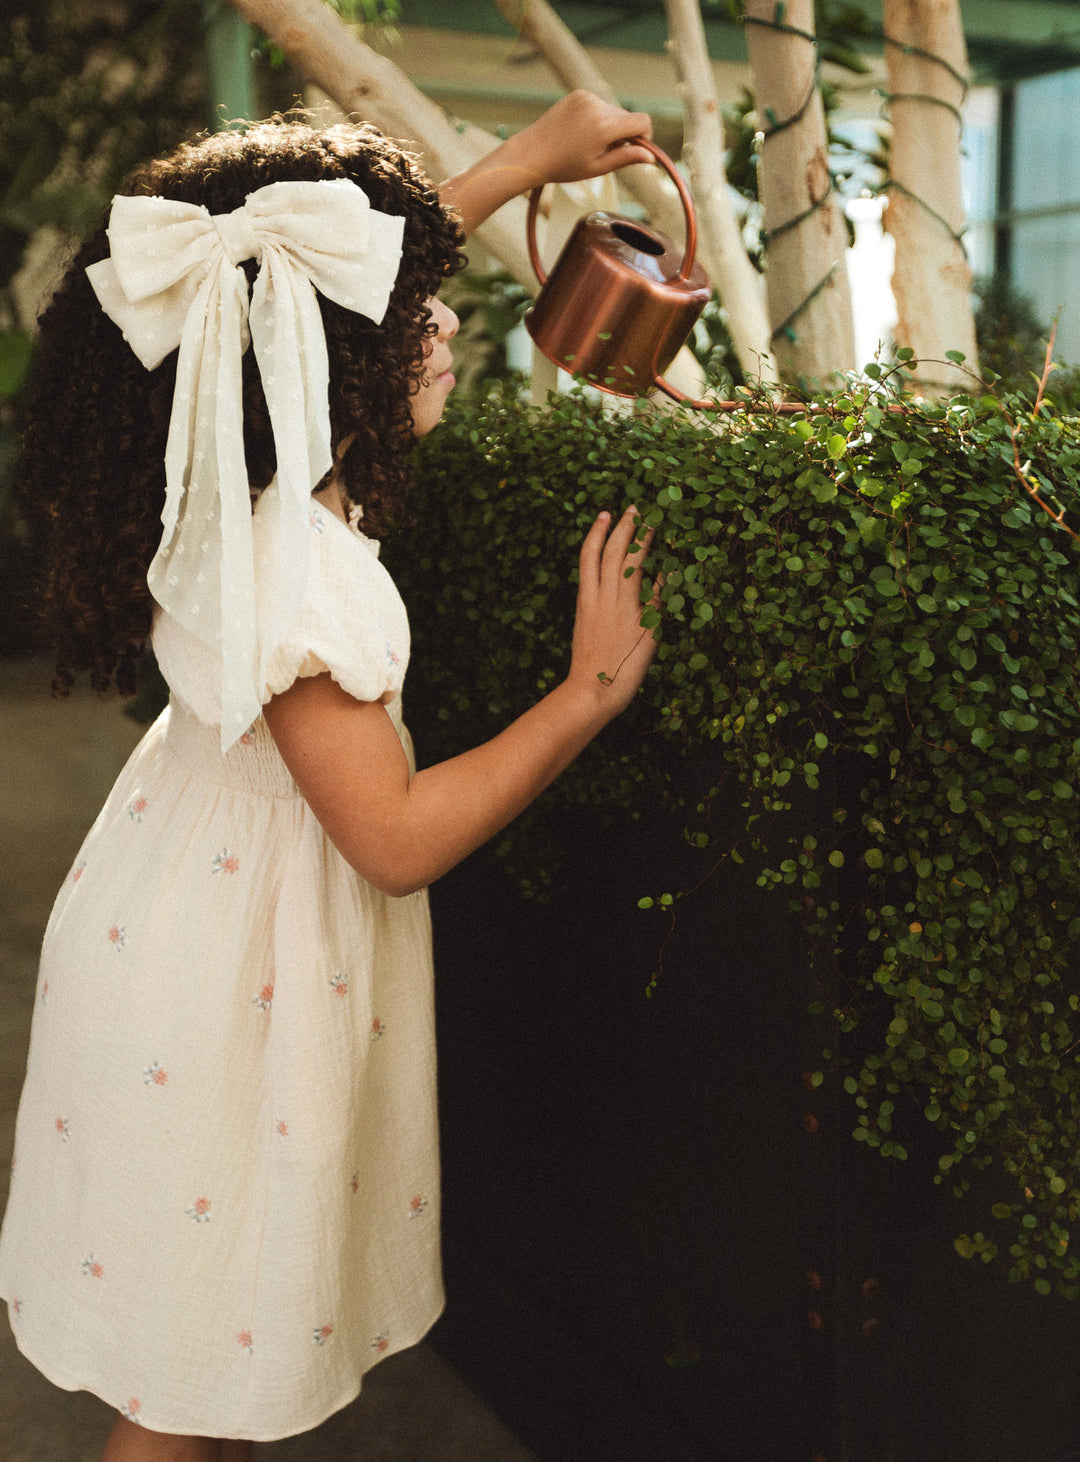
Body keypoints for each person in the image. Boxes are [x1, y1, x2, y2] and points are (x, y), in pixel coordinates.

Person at [0, 93, 659, 1461]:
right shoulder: (296, 566)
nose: (449, 319)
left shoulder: (257, 477)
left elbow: (332, 287)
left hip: (192, 937)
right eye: (417, 314)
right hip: (229, 992)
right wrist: (587, 695)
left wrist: (528, 161)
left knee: (222, 1350)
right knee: (181, 1396)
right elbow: (393, 836)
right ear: (326, 356)